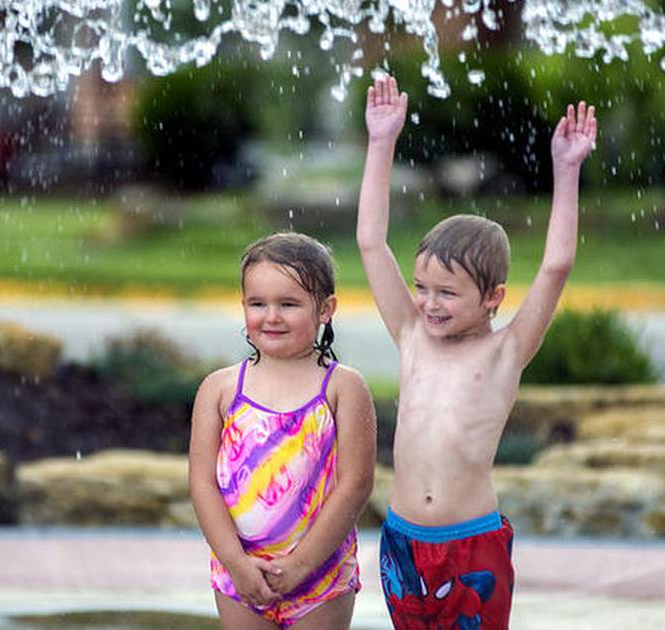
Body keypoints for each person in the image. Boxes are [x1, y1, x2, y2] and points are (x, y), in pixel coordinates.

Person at [357, 76, 597, 628]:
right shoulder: (411, 336)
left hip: (471, 546)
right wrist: (381, 142)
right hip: (402, 540)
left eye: (447, 293)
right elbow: (371, 241)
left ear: (493, 298)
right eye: (422, 288)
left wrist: (566, 172)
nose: (428, 303)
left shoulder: (505, 352)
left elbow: (556, 265)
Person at [189, 232, 378, 629]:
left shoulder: (342, 387)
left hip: (321, 573)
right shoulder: (220, 390)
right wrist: (236, 563)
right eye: (258, 303)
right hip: (240, 571)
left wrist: (300, 565)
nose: (271, 316)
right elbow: (202, 484)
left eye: (288, 304)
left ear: (326, 309)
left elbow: (356, 484)